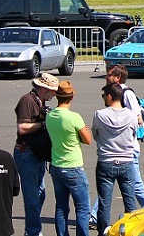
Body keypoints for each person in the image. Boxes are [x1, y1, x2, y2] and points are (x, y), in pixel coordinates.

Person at [14, 73, 59, 236]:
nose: (54, 94)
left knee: (40, 194)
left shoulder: (41, 101)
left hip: (37, 153)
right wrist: (43, 124)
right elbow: (22, 128)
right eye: (53, 91)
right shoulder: (27, 101)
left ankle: (31, 229)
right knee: (32, 197)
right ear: (44, 88)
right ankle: (33, 232)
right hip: (26, 153)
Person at [46, 81, 92, 236]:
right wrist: (81, 133)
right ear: (71, 97)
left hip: (56, 165)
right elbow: (88, 139)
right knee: (82, 208)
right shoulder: (74, 117)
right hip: (73, 167)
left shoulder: (50, 115)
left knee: (61, 206)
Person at [91, 83, 137, 236]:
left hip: (106, 160)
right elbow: (134, 134)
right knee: (130, 202)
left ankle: (103, 232)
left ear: (110, 97)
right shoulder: (131, 115)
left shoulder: (99, 115)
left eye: (104, 96)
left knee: (104, 203)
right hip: (126, 161)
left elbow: (95, 134)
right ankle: (131, 231)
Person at [105, 65, 144, 208]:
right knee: (108, 183)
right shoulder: (113, 92)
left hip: (129, 148)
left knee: (135, 184)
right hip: (118, 147)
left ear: (118, 78)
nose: (106, 77)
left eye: (109, 75)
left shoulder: (127, 94)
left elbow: (138, 119)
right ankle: (94, 215)